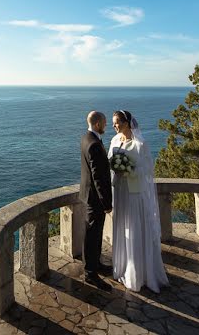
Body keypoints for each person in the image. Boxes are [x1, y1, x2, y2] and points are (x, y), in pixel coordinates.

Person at [108, 110, 169, 293]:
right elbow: (109, 161)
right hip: (119, 191)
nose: (114, 126)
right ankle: (123, 267)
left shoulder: (140, 144)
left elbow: (147, 169)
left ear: (127, 123)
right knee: (122, 227)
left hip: (135, 193)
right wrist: (115, 170)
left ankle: (139, 273)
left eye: (117, 122)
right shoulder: (114, 141)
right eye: (113, 122)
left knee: (134, 228)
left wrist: (128, 170)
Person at [80, 110, 113, 291]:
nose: (106, 126)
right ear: (98, 124)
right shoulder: (93, 144)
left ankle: (96, 264)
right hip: (95, 199)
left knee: (95, 232)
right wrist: (106, 203)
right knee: (92, 235)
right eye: (105, 123)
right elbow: (98, 177)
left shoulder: (85, 138)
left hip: (88, 195)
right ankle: (90, 274)